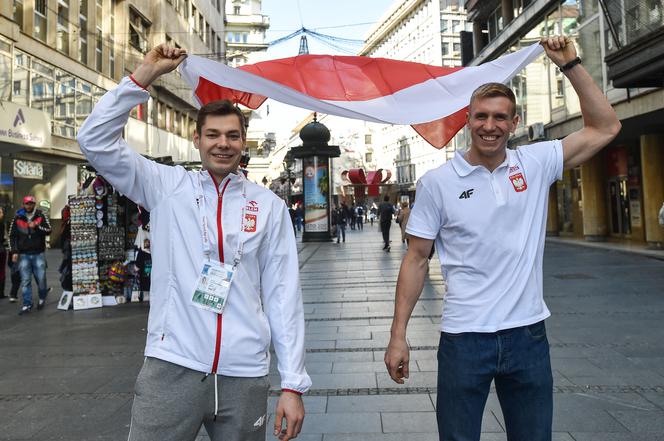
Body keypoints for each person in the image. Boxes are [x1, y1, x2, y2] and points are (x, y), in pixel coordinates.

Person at [384, 36, 621, 441]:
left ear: (513, 123)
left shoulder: (536, 162)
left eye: (499, 118)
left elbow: (606, 126)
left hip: (527, 336)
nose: (489, 126)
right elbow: (416, 259)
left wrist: (571, 64)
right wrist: (397, 336)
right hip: (463, 339)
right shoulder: (437, 183)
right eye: (480, 116)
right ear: (467, 119)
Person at [77, 44, 310, 441]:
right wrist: (144, 75)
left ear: (244, 142)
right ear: (197, 139)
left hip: (244, 371)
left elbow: (283, 294)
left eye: (233, 136)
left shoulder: (268, 206)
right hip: (173, 365)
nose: (223, 144)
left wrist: (292, 384)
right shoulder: (165, 186)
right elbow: (95, 141)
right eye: (213, 135)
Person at [9, 196, 52, 315]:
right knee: (25, 281)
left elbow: (49, 230)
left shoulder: (41, 215)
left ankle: (42, 297)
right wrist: (14, 251)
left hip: (39, 253)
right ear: (23, 204)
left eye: (31, 204)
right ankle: (27, 304)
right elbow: (12, 236)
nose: (29, 206)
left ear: (34, 204)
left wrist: (37, 227)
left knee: (41, 279)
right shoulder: (17, 217)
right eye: (27, 204)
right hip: (23, 255)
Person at [0, 207, 7, 299]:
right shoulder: (1, 224)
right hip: (1, 250)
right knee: (1, 271)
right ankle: (1, 293)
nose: (2, 214)